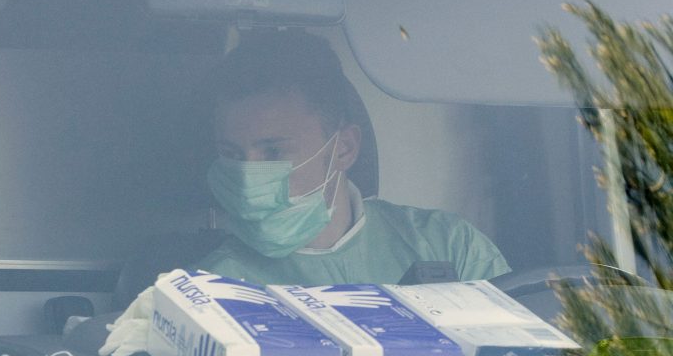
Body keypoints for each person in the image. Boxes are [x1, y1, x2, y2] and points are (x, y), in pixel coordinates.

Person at [194, 30, 510, 285]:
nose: (247, 177)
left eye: (273, 151)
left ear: (343, 148)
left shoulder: (449, 247)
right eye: (231, 154)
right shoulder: (212, 287)